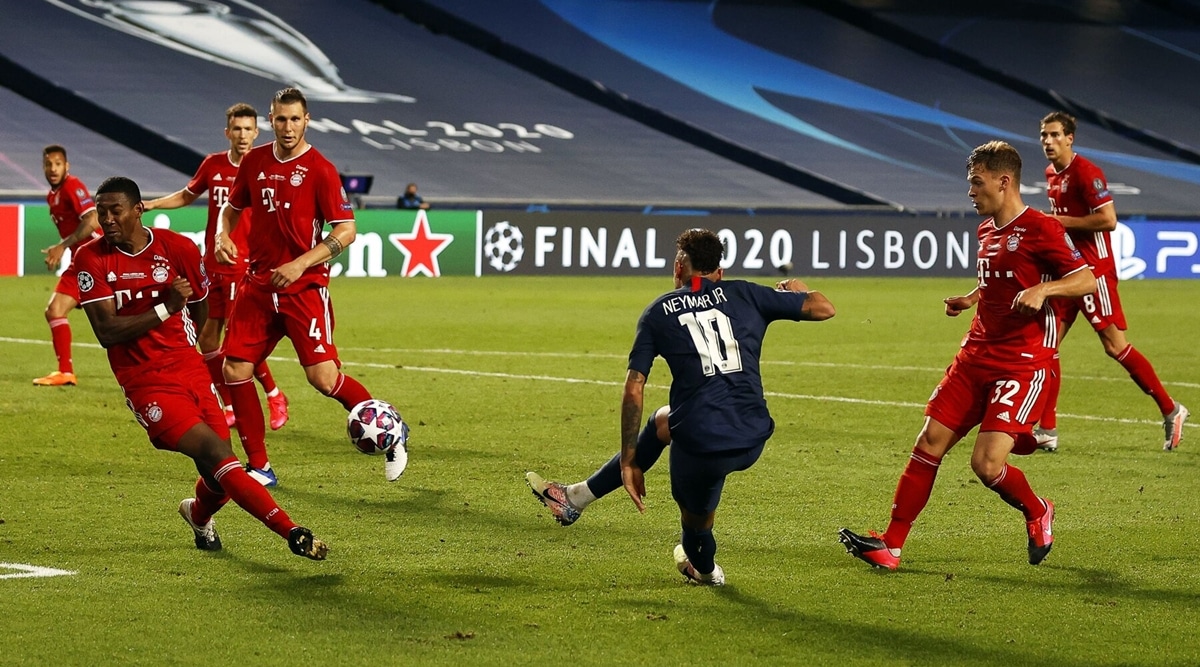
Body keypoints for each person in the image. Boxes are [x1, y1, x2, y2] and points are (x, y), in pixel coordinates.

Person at [838, 141, 1096, 571]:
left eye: (976, 183)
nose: (970, 192)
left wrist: (1043, 289)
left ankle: (1037, 510)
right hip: (974, 356)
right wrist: (971, 298)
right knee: (929, 443)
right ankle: (892, 545)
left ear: (1004, 180)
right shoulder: (986, 230)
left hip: (1023, 362)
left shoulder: (1042, 228)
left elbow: (1085, 279)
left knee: (986, 464)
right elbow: (999, 280)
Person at [526, 228, 836, 585]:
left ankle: (705, 572)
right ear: (719, 272)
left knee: (696, 526)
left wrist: (629, 459)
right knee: (663, 422)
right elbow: (824, 307)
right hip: (753, 433)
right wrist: (796, 290)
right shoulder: (747, 293)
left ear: (678, 268)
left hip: (704, 446)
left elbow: (634, 388)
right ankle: (575, 498)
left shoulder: (658, 313)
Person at [73, 176, 327, 561]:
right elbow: (107, 331)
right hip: (145, 382)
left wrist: (190, 337)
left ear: (138, 211)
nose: (105, 219)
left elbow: (202, 304)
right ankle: (291, 531)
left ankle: (197, 514)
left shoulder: (178, 248)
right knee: (219, 456)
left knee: (218, 477)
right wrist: (166, 308)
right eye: (101, 211)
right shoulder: (90, 258)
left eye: (115, 211)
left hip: (189, 369)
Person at [216, 87, 407, 485]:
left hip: (303, 290)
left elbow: (348, 230)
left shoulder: (321, 169)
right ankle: (259, 467)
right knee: (235, 367)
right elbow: (231, 209)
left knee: (323, 379)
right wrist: (223, 236)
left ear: (308, 120)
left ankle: (392, 436)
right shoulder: (254, 162)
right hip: (258, 286)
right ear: (271, 120)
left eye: (295, 119)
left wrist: (300, 263)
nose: (288, 127)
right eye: (281, 119)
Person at [1034, 111, 1188, 452]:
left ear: (1070, 137)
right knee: (1047, 345)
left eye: (1055, 134)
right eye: (1044, 135)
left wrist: (1059, 222)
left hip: (1094, 274)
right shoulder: (1050, 174)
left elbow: (1108, 220)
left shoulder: (1087, 173)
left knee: (1115, 346)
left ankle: (1171, 409)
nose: (1048, 141)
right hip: (1067, 272)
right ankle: (1047, 429)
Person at [143, 102, 290, 438]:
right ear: (228, 132)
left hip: (244, 266)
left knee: (237, 340)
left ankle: (274, 395)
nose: (242, 135)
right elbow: (186, 195)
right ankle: (227, 405)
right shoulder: (213, 165)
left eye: (247, 129)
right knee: (208, 339)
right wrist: (152, 204)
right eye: (236, 129)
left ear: (257, 132)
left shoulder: (264, 166)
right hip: (212, 265)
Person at [34, 145, 99, 386]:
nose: (53, 169)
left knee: (121, 317)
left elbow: (92, 220)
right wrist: (66, 248)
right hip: (81, 259)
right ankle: (66, 372)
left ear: (67, 166)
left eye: (58, 164)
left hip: (98, 258)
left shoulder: (73, 186)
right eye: (49, 164)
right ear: (43, 167)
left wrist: (62, 245)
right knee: (55, 310)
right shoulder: (52, 195)